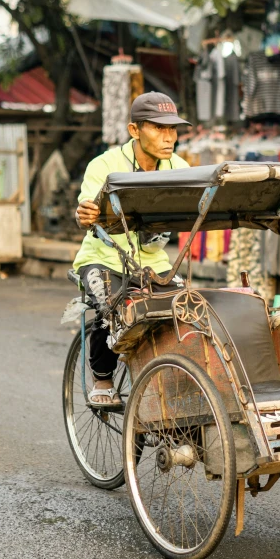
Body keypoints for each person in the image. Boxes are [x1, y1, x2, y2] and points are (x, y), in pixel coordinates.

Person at [73, 91, 191, 407]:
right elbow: (86, 209)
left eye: (173, 129)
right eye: (158, 128)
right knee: (108, 307)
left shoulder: (179, 167)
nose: (169, 137)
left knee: (187, 309)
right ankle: (102, 379)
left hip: (153, 260)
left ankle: (171, 377)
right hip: (104, 257)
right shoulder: (105, 165)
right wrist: (86, 213)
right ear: (134, 130)